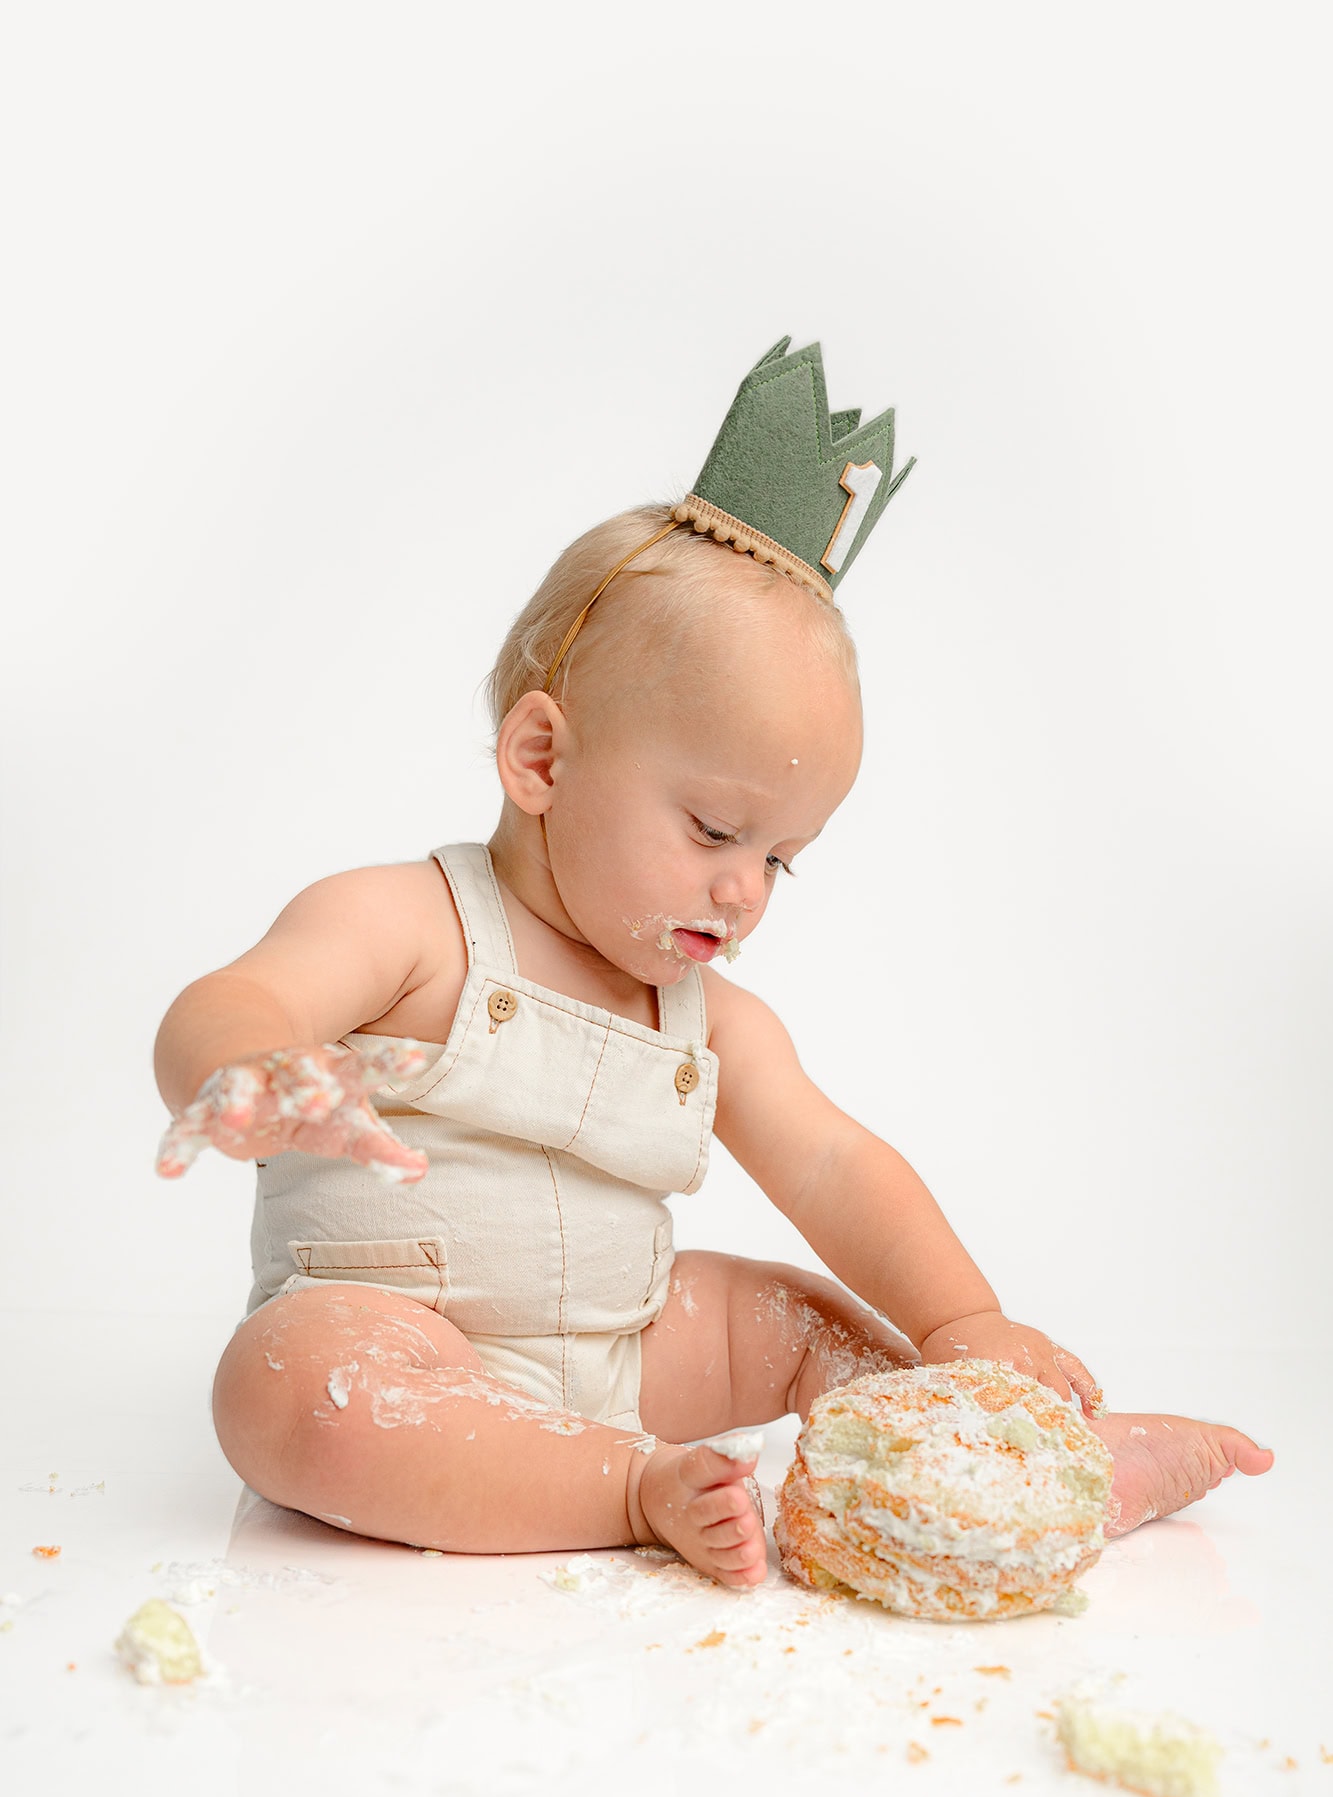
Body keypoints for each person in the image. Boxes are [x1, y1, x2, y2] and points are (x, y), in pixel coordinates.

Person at [153, 340, 1272, 1592]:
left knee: (789, 1316)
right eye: (712, 830)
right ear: (541, 759)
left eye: (780, 858)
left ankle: (1018, 1454)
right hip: (396, 1339)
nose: (744, 890)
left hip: (622, 1350)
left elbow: (834, 1163)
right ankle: (626, 1486)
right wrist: (247, 1067)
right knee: (282, 1390)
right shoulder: (408, 923)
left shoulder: (709, 1019)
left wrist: (963, 1322)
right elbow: (239, 996)